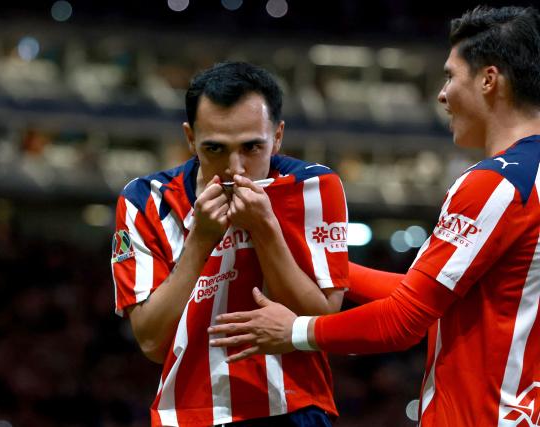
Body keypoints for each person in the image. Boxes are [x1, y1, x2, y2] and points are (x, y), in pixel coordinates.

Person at [208, 6, 540, 427]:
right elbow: (424, 295)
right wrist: (320, 263)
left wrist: (294, 332)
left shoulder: (498, 183)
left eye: (451, 76)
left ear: (489, 80)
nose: (442, 94)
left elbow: (405, 321)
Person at [111, 62, 349, 426]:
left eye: (252, 147)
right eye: (215, 149)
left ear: (279, 135)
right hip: (187, 415)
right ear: (190, 139)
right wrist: (201, 239)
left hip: (294, 410)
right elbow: (152, 343)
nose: (235, 168)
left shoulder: (314, 188)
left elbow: (322, 325)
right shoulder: (144, 200)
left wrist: (265, 228)